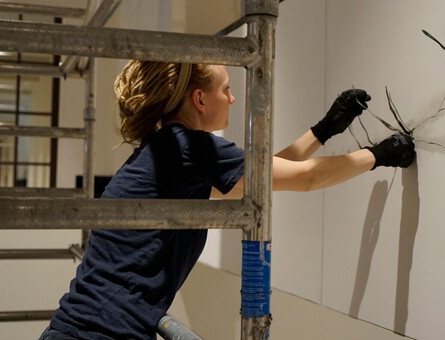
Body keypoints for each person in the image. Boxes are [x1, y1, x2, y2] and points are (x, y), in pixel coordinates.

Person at [39, 61, 415, 340]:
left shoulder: (169, 150)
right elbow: (306, 178)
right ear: (199, 99)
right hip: (98, 334)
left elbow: (259, 179)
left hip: (80, 329)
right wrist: (379, 155)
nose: (233, 98)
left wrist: (323, 130)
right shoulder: (188, 148)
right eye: (226, 89)